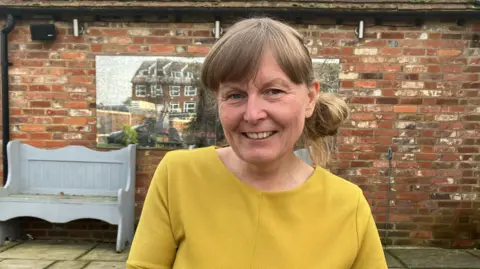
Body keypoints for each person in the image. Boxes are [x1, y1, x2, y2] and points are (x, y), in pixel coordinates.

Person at [126, 17, 388, 269]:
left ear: (309, 98)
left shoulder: (348, 205)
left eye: (273, 91)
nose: (252, 114)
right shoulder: (179, 176)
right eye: (235, 95)